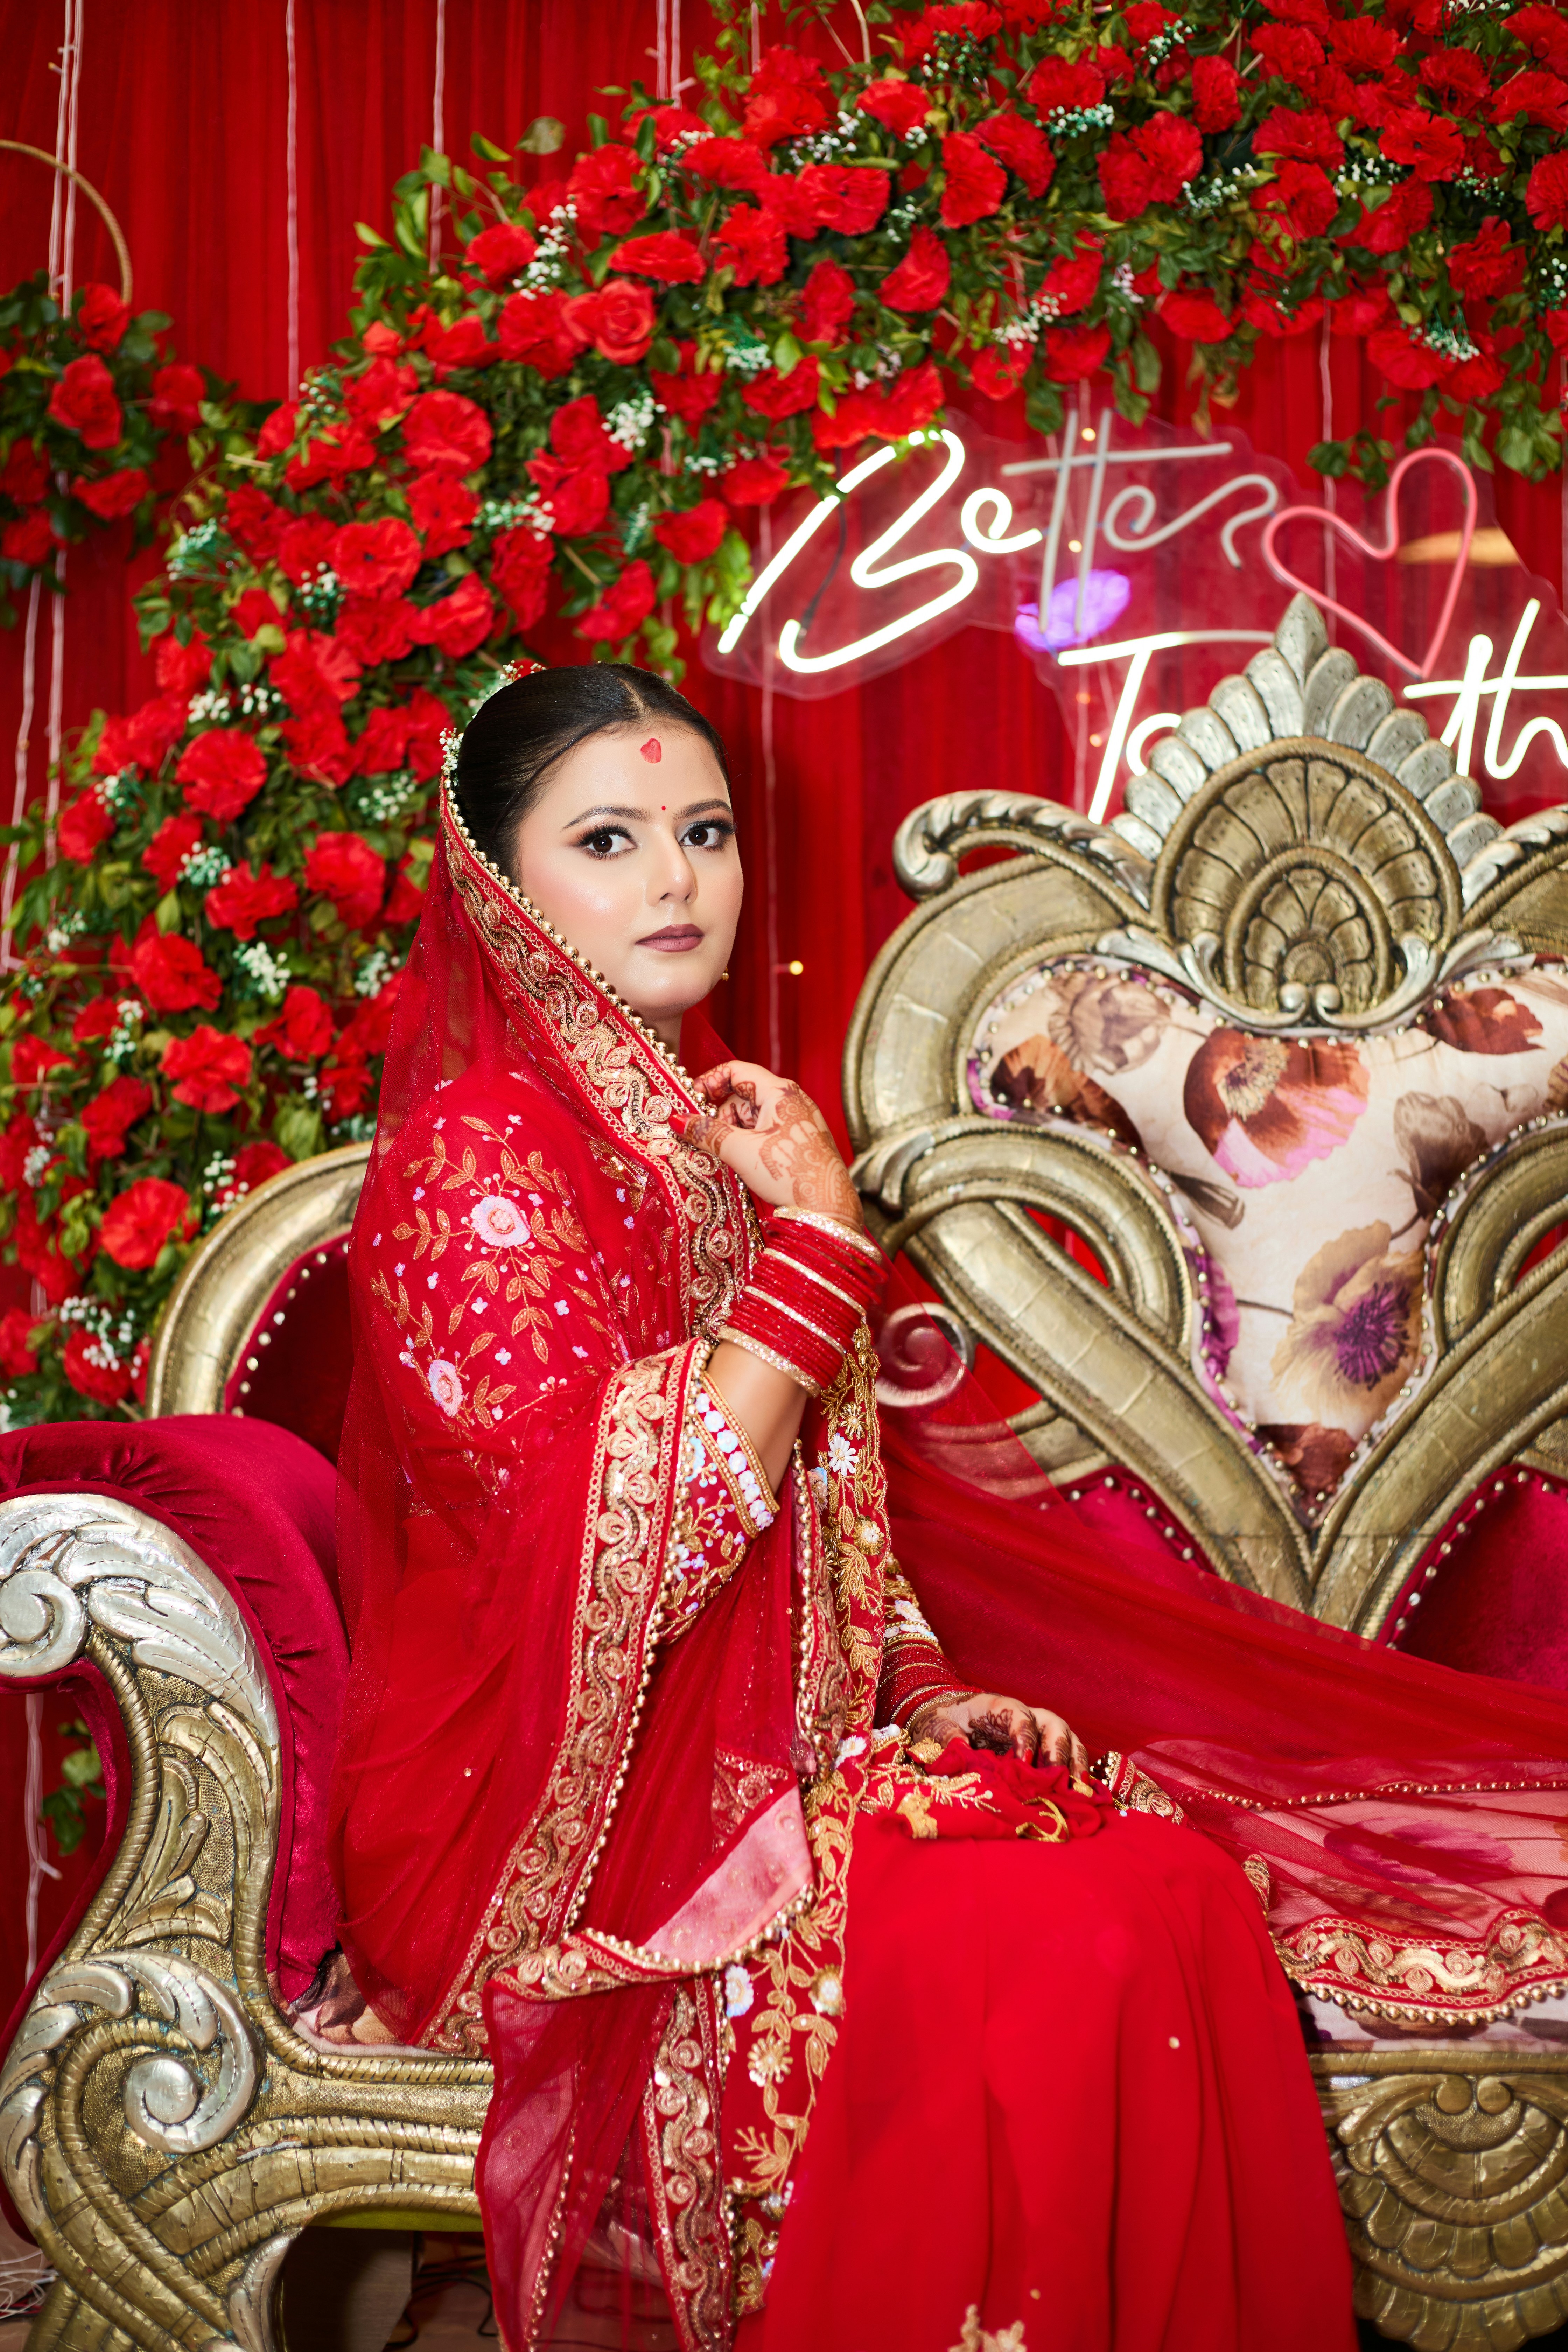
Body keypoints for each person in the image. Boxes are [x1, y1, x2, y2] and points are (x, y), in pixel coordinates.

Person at [324, 662, 1568, 2352]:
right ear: (499, 885)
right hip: (566, 1821)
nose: (677, 880)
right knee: (1088, 1927)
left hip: (758, 1760)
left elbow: (821, 1509)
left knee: (1163, 1877)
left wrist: (920, 1689)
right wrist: (824, 1248)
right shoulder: (482, 1157)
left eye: (701, 831)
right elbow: (648, 1543)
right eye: (609, 841)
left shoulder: (712, 1140)